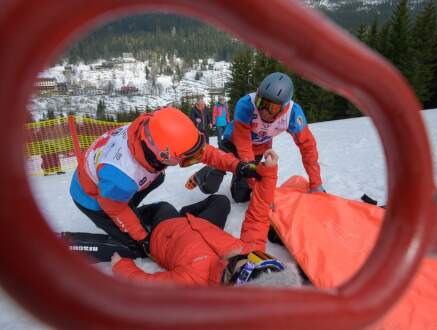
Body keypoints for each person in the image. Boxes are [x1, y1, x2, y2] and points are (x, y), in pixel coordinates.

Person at [70, 107, 259, 257]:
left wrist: (238, 166)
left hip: (111, 182)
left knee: (157, 178)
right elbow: (114, 207)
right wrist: (142, 238)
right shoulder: (123, 177)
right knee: (135, 246)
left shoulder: (154, 128)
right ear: (163, 155)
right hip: (93, 198)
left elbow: (206, 153)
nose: (196, 159)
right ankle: (75, 244)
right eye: (187, 159)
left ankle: (131, 215)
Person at [111, 149, 301, 287]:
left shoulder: (193, 281)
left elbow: (149, 286)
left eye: (252, 260)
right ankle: (187, 214)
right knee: (220, 202)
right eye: (263, 258)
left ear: (233, 276)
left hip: (168, 231)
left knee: (163, 207)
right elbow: (259, 215)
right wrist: (268, 173)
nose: (251, 253)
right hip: (202, 226)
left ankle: (133, 215)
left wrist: (121, 266)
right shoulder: (251, 252)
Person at [193, 72, 324, 203]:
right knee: (209, 186)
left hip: (258, 149)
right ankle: (204, 174)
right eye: (260, 101)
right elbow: (243, 144)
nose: (263, 111)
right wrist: (250, 176)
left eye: (271, 107)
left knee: (241, 196)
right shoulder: (246, 105)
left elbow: (308, 147)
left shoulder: (293, 114)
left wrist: (316, 183)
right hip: (232, 143)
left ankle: (234, 176)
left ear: (284, 107)